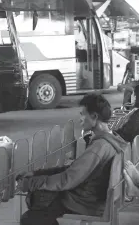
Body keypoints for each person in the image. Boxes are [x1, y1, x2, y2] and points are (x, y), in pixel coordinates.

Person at [17, 94, 128, 225]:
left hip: (84, 203)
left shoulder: (98, 147)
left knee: (31, 217)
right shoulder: (113, 139)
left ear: (94, 117)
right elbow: (75, 169)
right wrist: (37, 174)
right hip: (95, 200)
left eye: (83, 114)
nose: (80, 119)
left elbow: (67, 180)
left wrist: (30, 183)